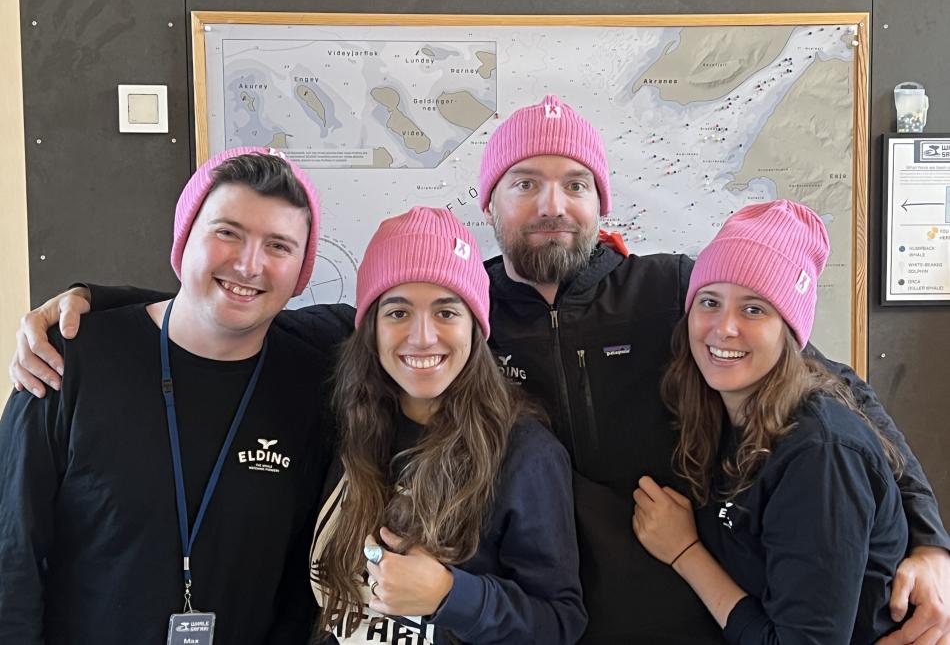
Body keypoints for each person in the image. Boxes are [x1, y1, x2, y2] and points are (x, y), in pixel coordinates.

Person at [11, 97, 950, 644]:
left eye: (574, 184)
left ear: (601, 203)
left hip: (691, 621)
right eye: (524, 184)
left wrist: (929, 539)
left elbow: (835, 392)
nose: (552, 205)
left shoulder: (676, 294)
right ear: (490, 205)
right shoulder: (455, 304)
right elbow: (246, 308)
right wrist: (106, 308)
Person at [0, 147, 341, 644]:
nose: (249, 265)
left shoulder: (315, 385)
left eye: (278, 246)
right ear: (185, 239)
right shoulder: (68, 358)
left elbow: (299, 581)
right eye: (227, 233)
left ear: (300, 273)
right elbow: (12, 553)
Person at [633, 200, 909, 643]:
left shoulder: (820, 455)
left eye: (754, 309)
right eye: (710, 302)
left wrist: (685, 552)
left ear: (790, 331)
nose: (724, 328)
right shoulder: (724, 413)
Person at [308, 206, 585, 644]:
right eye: (398, 313)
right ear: (371, 328)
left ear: (475, 327)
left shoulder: (525, 454)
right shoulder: (351, 423)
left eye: (446, 313)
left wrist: (450, 595)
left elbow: (559, 623)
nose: (422, 337)